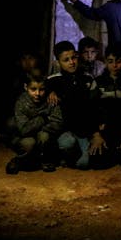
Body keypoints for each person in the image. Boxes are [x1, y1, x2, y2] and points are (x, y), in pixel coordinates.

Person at [45, 40, 100, 170]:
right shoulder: (52, 81)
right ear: (58, 62)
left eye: (73, 58)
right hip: (64, 130)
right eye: (66, 60)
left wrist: (95, 132)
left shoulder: (87, 79)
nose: (72, 62)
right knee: (66, 142)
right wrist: (49, 91)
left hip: (84, 130)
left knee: (86, 163)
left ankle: (79, 154)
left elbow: (95, 106)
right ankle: (64, 156)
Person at [5, 69, 64, 174]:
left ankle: (44, 160)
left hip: (42, 135)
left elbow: (58, 123)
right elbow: (24, 130)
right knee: (29, 143)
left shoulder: (51, 99)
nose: (37, 93)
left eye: (41, 90)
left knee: (44, 136)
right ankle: (19, 160)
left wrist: (36, 127)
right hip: (25, 137)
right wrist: (43, 119)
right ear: (25, 87)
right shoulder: (21, 102)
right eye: (33, 89)